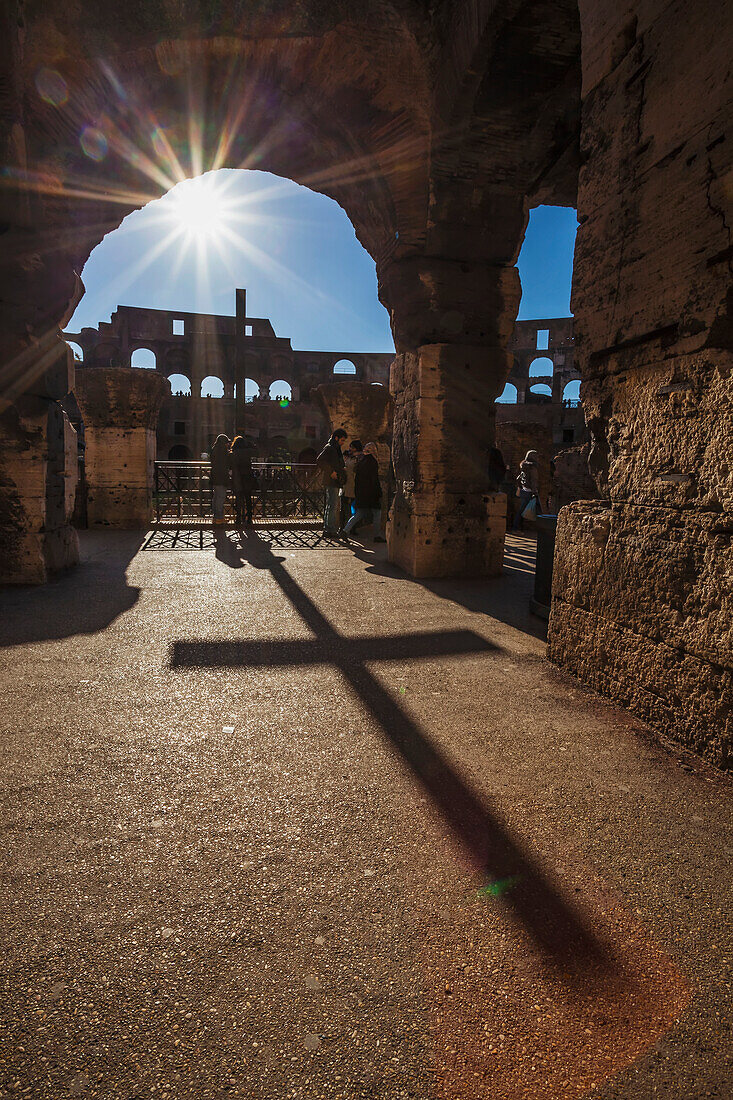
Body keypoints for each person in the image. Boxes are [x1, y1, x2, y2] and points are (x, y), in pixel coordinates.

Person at [340, 442, 384, 542]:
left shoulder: (361, 461)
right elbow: (374, 480)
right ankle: (377, 536)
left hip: (361, 493)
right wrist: (378, 492)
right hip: (371, 493)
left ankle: (345, 530)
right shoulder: (373, 462)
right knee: (377, 513)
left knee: (359, 514)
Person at [316, 428, 347, 537]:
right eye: (342, 440)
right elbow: (320, 460)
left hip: (335, 480)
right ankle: (330, 529)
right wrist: (331, 472)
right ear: (336, 438)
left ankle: (328, 528)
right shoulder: (330, 448)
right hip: (331, 480)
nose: (343, 443)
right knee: (332, 505)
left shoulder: (335, 448)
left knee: (332, 505)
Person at [512, 448, 543, 531]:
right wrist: (535, 492)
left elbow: (518, 478)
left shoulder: (524, 466)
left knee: (522, 511)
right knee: (533, 511)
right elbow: (534, 480)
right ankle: (516, 528)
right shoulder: (532, 467)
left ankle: (518, 528)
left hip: (524, 491)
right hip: (530, 492)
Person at [230, 434, 256, 527]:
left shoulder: (233, 453)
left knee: (238, 499)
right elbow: (256, 451)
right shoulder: (248, 451)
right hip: (247, 477)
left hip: (237, 477)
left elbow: (230, 465)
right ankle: (249, 518)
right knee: (248, 498)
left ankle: (238, 518)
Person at [209, 434, 231, 526]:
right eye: (226, 443)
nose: (227, 444)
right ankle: (219, 518)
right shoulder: (223, 451)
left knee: (216, 496)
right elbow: (227, 463)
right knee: (220, 497)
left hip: (214, 476)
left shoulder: (214, 449)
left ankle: (215, 517)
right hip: (221, 477)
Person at [340, 440, 361, 527]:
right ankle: (343, 526)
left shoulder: (359, 458)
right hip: (346, 485)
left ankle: (352, 527)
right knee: (344, 508)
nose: (350, 449)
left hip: (354, 485)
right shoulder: (349, 457)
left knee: (354, 508)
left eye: (352, 447)